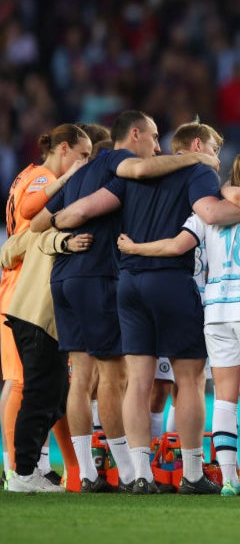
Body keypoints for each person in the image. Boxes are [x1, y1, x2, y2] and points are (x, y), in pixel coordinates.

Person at [45, 120, 240, 494]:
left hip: (128, 285)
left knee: (137, 381)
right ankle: (192, 474)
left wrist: (58, 225)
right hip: (169, 279)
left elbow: (78, 212)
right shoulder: (197, 170)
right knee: (190, 379)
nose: (216, 159)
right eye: (215, 150)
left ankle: (140, 475)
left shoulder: (128, 178)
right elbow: (212, 214)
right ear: (198, 145)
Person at [117, 152, 240, 497]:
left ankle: (230, 480)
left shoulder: (205, 216)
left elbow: (175, 246)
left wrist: (135, 248)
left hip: (218, 311)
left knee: (224, 398)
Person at [1, 123, 91, 491]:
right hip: (28, 293)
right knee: (26, 385)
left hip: (22, 292)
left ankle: (28, 468)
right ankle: (18, 470)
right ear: (64, 149)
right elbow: (31, 209)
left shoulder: (26, 174)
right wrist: (68, 177)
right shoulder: (41, 177)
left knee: (40, 388)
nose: (85, 162)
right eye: (82, 155)